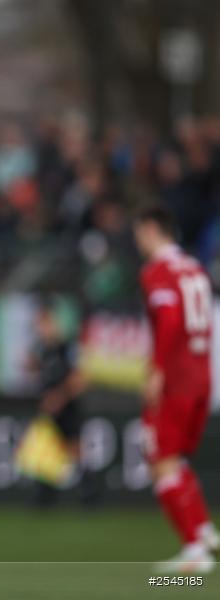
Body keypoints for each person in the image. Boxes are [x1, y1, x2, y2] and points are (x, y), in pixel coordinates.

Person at [133, 206, 219, 573]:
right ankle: (205, 532)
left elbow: (169, 321)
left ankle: (194, 554)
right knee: (176, 458)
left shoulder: (157, 272)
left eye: (139, 232)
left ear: (152, 230)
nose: (137, 240)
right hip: (201, 375)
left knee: (160, 460)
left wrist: (156, 370)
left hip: (177, 379)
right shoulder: (195, 268)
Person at [29, 299, 95, 507]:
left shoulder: (67, 348)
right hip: (49, 410)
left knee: (74, 451)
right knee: (46, 452)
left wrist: (59, 397)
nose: (40, 328)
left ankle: (89, 494)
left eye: (43, 323)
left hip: (68, 409)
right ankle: (45, 496)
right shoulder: (42, 351)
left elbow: (80, 380)